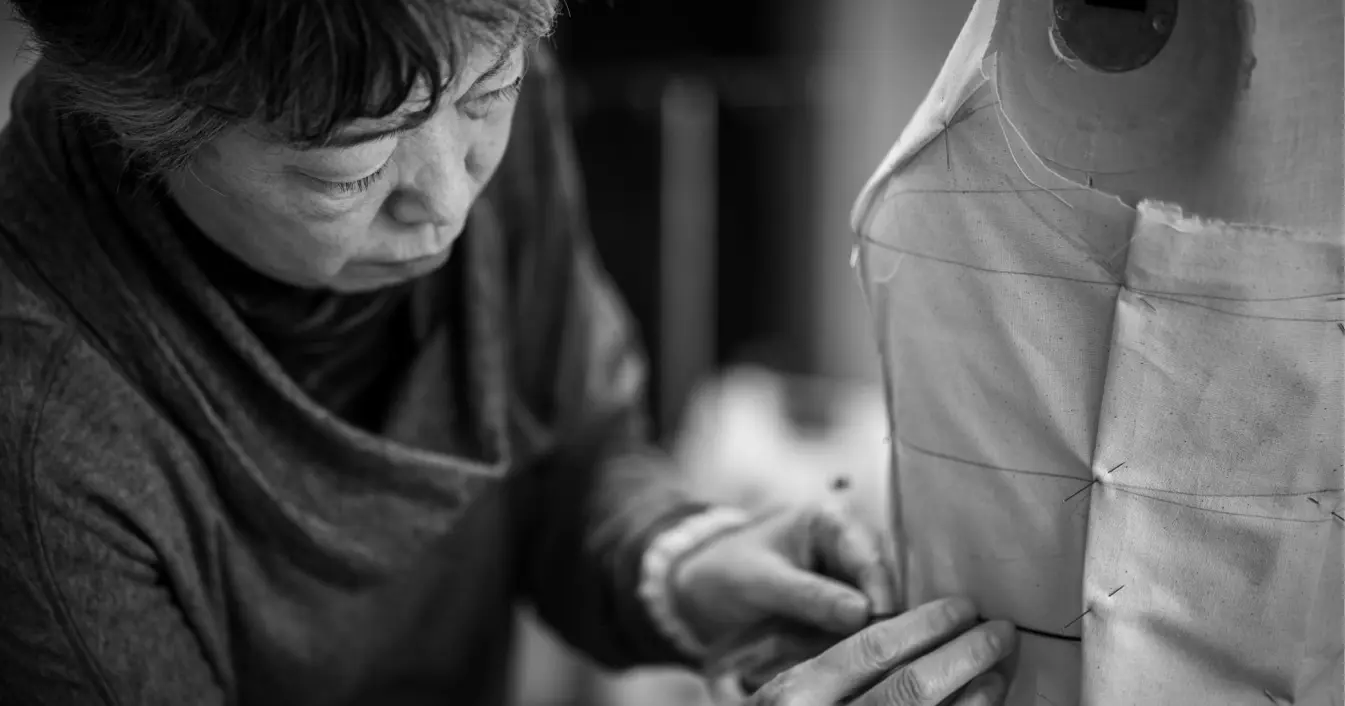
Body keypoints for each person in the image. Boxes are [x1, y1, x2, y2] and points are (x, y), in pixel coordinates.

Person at [0, 1, 1017, 704]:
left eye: (491, 97)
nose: (448, 204)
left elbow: (567, 452)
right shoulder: (42, 425)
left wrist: (689, 568)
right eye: (347, 174)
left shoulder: (440, 56)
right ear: (141, 130)